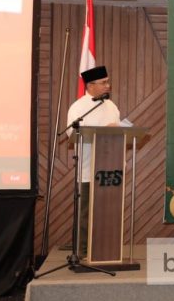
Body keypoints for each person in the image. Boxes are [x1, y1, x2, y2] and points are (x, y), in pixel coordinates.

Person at [65, 65, 120, 254]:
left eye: (107, 82)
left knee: (107, 212)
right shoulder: (78, 108)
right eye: (103, 82)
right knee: (86, 212)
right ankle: (81, 251)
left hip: (110, 169)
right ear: (90, 85)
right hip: (88, 168)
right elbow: (72, 134)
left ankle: (105, 249)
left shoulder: (112, 106)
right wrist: (104, 131)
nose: (108, 86)